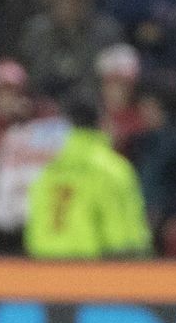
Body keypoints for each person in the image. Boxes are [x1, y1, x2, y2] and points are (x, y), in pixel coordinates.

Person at [25, 91, 151, 259]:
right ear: (102, 121)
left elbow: (35, 223)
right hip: (91, 267)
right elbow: (125, 233)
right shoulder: (112, 169)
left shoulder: (49, 170)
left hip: (43, 264)